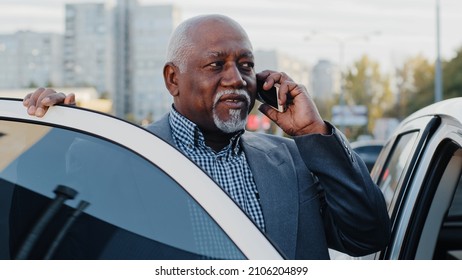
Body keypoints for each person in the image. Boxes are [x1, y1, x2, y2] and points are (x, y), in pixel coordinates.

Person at [23, 14, 390, 259]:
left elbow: (367, 236)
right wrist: (49, 138)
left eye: (246, 65)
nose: (235, 78)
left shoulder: (294, 160)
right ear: (172, 79)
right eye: (216, 65)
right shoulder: (119, 157)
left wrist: (313, 133)